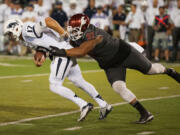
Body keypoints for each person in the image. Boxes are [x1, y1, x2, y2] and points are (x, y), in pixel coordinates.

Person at [49, 14, 180, 124]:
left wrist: (63, 52)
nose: (71, 32)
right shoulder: (77, 36)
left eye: (74, 29)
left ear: (84, 28)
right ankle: (145, 113)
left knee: (152, 70)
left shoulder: (94, 35)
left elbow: (83, 50)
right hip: (110, 64)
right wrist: (49, 51)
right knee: (118, 87)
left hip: (125, 54)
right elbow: (67, 43)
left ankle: (170, 72)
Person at [3, 17, 112, 122]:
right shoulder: (24, 38)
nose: (10, 37)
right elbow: (44, 41)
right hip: (64, 50)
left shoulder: (26, 30)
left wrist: (63, 33)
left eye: (10, 33)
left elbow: (47, 21)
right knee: (78, 81)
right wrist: (41, 53)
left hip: (62, 52)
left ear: (16, 28)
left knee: (54, 85)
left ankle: (83, 104)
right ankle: (104, 105)